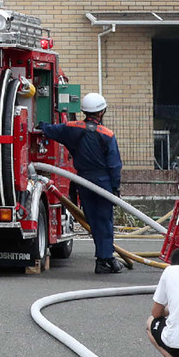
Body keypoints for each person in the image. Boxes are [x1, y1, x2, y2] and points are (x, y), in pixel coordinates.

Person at [40, 91, 124, 273]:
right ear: (101, 112)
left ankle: (105, 257)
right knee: (104, 221)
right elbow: (115, 165)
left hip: (83, 180)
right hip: (103, 182)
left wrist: (40, 124)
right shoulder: (107, 134)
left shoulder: (72, 128)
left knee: (93, 220)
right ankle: (104, 259)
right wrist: (115, 188)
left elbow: (50, 130)